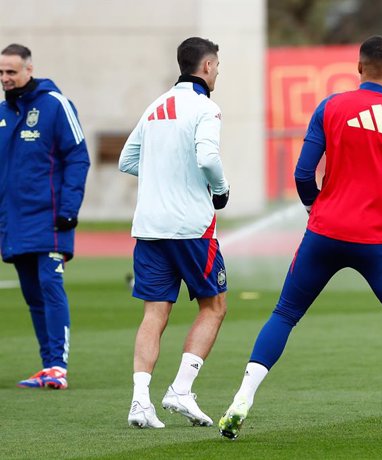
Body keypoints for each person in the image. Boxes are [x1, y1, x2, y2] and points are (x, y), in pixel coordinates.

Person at [218, 35, 382, 443]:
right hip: (376, 243)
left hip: (323, 234)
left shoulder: (330, 107)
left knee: (284, 314)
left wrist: (315, 209)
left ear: (358, 68)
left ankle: (241, 399)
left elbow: (304, 174)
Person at [119, 37, 230, 429]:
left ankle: (139, 402)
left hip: (149, 226)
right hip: (191, 227)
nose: (218, 70)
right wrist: (220, 190)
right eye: (217, 64)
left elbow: (126, 160)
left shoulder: (155, 106)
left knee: (154, 312)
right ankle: (181, 390)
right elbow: (208, 158)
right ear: (207, 66)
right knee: (214, 306)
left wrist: (161, 176)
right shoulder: (206, 108)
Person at [0, 44, 90, 390]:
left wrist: (69, 209)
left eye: (12, 71)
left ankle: (58, 367)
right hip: (15, 223)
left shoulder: (56, 105)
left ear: (29, 70)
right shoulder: (4, 114)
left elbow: (78, 158)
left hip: (51, 219)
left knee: (51, 285)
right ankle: (47, 365)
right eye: (2, 73)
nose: (6, 78)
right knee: (32, 294)